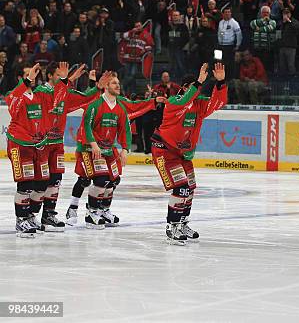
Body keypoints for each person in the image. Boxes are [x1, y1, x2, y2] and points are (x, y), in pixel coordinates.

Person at [71, 74, 161, 228]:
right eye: (114, 83)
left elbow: (125, 129)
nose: (118, 85)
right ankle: (91, 213)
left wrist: (125, 149)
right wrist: (93, 144)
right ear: (106, 86)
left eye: (118, 83)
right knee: (99, 181)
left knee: (113, 180)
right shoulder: (95, 105)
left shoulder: (120, 106)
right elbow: (87, 126)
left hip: (107, 149)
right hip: (91, 148)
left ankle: (104, 210)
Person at [152, 63, 227, 244]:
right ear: (185, 88)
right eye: (194, 87)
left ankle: (183, 222)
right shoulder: (173, 102)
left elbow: (218, 102)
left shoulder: (199, 105)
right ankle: (172, 226)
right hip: (165, 151)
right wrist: (200, 81)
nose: (198, 91)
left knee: (190, 189)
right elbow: (184, 100)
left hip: (183, 154)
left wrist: (221, 83)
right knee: (181, 188)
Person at [39, 64, 109, 231]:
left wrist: (96, 87)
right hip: (41, 144)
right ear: (49, 76)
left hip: (57, 144)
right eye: (58, 74)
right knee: (39, 183)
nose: (62, 77)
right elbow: (54, 97)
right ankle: (31, 215)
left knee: (56, 180)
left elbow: (83, 99)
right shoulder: (42, 91)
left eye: (63, 75)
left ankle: (48, 214)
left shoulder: (65, 92)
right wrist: (68, 80)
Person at [6, 63, 69, 237]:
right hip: (19, 145)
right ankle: (21, 220)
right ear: (22, 78)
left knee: (41, 182)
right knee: (25, 184)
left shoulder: (38, 96)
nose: (32, 77)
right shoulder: (15, 95)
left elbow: (56, 101)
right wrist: (27, 81)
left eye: (34, 74)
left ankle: (32, 216)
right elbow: (12, 107)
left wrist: (65, 80)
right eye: (28, 74)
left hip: (37, 145)